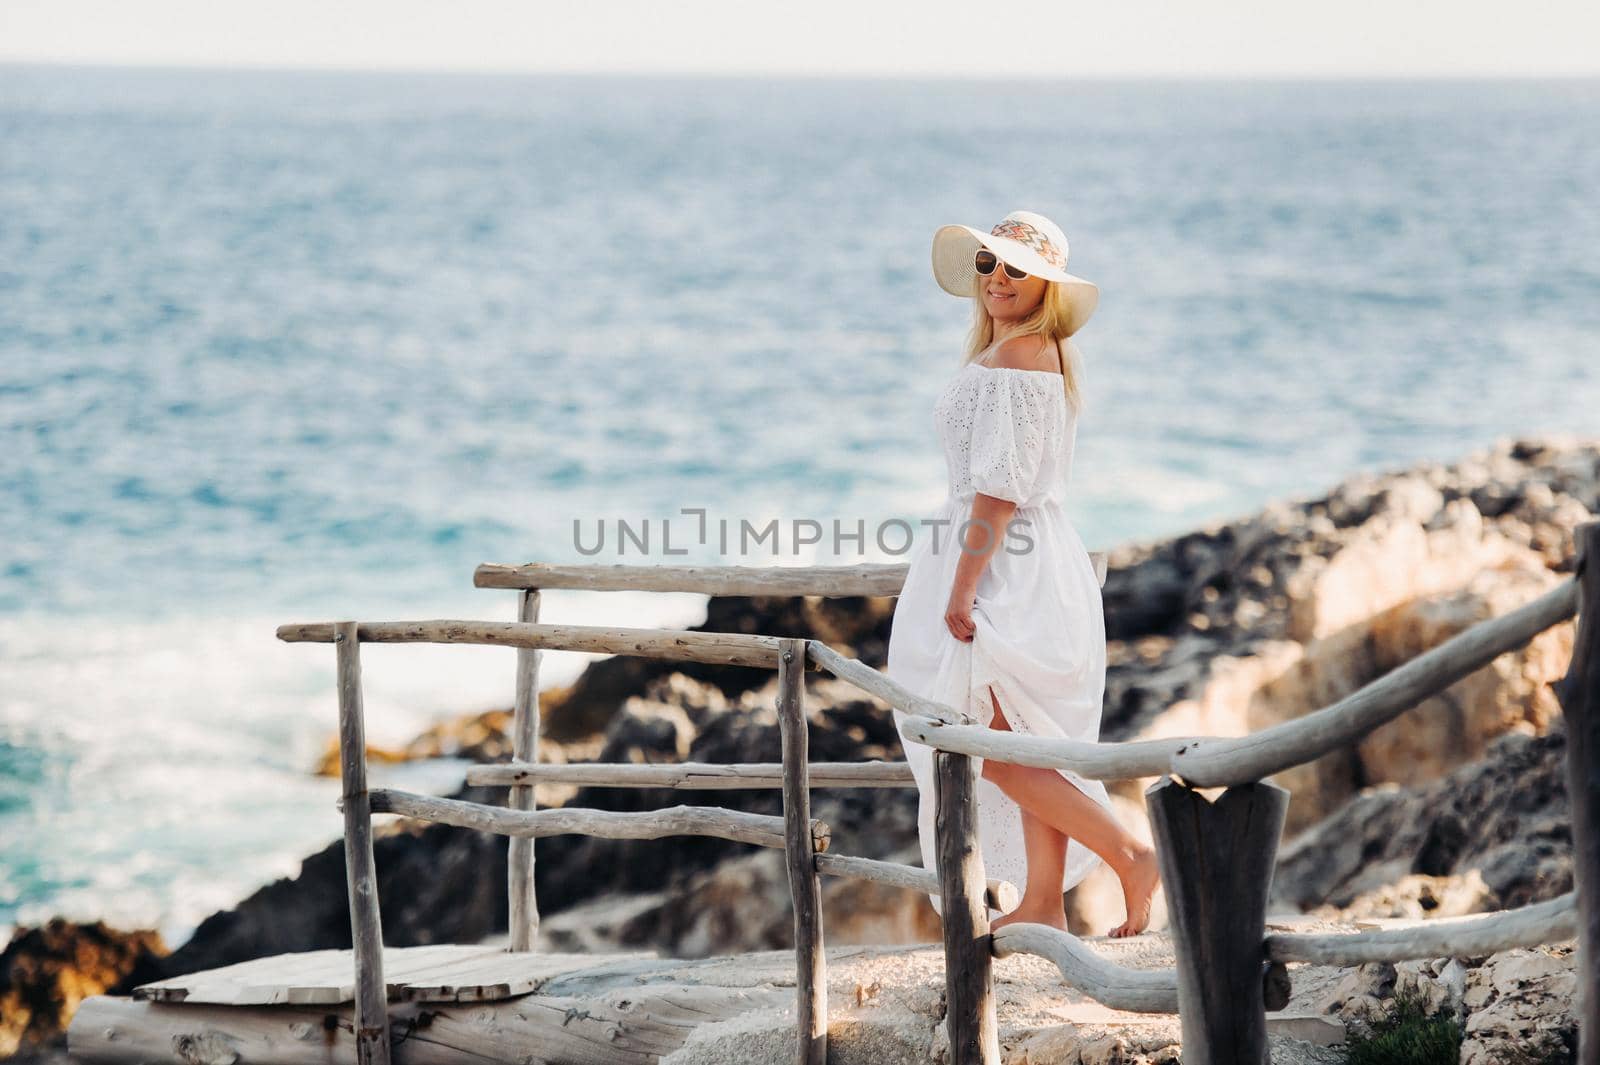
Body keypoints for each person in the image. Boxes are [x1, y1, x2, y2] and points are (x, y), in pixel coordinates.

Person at [886, 209, 1160, 938]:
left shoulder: (1017, 360)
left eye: (1016, 269)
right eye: (989, 265)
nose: (998, 279)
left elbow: (999, 487)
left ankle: (1130, 852)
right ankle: (1044, 902)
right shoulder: (1032, 353)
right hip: (1034, 560)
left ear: (1047, 286)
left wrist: (962, 583)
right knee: (1028, 736)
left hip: (1008, 565)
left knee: (991, 737)